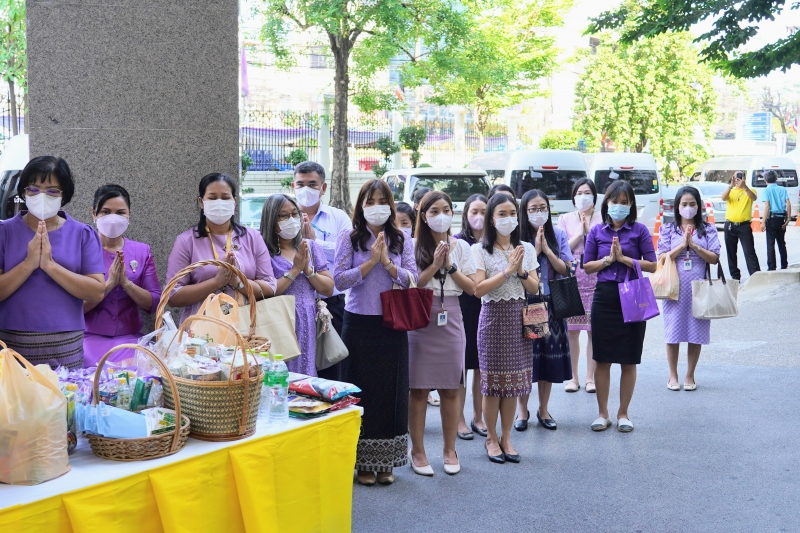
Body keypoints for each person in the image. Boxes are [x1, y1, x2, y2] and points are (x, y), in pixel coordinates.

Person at [334, 179, 417, 486]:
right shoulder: (350, 237)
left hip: (391, 324)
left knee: (391, 390)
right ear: (361, 205)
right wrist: (370, 262)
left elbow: (413, 278)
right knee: (360, 390)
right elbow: (339, 280)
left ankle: (387, 462)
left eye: (383, 201)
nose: (377, 207)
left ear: (390, 205)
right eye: (371, 201)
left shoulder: (402, 238)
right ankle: (362, 463)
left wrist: (388, 265)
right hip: (357, 323)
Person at [0, 156, 105, 368]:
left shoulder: (82, 234)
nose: (42, 196)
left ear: (63, 194)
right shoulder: (5, 232)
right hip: (12, 342)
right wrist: (28, 263)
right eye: (34, 189)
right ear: (24, 192)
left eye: (52, 191)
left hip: (65, 344)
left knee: (65, 399)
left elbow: (96, 291)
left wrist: (50, 265)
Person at [408, 191, 476, 476]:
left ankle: (450, 449)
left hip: (451, 315)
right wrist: (435, 264)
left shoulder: (461, 247)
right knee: (419, 389)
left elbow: (472, 287)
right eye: (434, 210)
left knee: (451, 387)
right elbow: (412, 283)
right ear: (423, 216)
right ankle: (418, 451)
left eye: (446, 209)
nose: (441, 215)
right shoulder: (411, 245)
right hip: (421, 316)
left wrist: (449, 265)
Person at [583, 180, 656, 433]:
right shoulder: (597, 231)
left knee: (628, 359)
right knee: (602, 359)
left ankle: (623, 413)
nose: (619, 206)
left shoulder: (640, 230)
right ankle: (603, 413)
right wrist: (607, 260)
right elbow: (586, 265)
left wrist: (625, 260)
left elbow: (653, 265)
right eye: (615, 202)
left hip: (633, 295)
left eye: (624, 202)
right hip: (604, 298)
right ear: (606, 204)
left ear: (631, 205)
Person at [472, 194, 539, 464]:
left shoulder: (526, 247)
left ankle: (507, 437)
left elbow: (534, 287)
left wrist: (520, 270)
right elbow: (478, 289)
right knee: (492, 385)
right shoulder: (481, 249)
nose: (508, 218)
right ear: (491, 218)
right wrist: (507, 271)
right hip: (492, 320)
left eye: (512, 213)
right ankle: (490, 438)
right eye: (502, 213)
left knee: (513, 383)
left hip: (519, 318)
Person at [166, 173, 276, 325]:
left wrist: (237, 282)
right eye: (212, 198)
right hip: (201, 333)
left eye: (225, 198)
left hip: (246, 329)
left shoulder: (253, 237)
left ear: (234, 201)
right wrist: (216, 282)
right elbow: (172, 295)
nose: (219, 202)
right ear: (201, 202)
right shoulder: (186, 241)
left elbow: (270, 287)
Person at [83, 185, 162, 366]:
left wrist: (126, 283)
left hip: (131, 340)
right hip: (89, 340)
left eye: (120, 213)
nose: (113, 218)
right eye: (105, 212)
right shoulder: (82, 250)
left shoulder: (142, 251)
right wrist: (109, 284)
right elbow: (74, 308)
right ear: (94, 214)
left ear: (129, 215)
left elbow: (155, 303)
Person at [516, 190, 573, 432]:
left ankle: (543, 409)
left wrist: (547, 251)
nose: (538, 213)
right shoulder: (517, 237)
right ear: (524, 211)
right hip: (526, 301)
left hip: (551, 302)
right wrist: (534, 251)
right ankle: (522, 410)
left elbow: (566, 269)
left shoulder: (558, 234)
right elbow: (518, 269)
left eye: (542, 208)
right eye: (533, 208)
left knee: (548, 358)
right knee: (525, 358)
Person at [290, 161, 353, 380]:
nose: (305, 189)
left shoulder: (338, 218)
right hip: (294, 307)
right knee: (297, 372)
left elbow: (348, 253)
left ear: (323, 188)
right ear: (293, 186)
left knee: (331, 371)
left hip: (331, 305)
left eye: (312, 184)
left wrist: (315, 244)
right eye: (300, 184)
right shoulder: (284, 219)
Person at [261, 194, 334, 376]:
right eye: (283, 216)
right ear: (271, 219)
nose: (291, 220)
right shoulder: (264, 251)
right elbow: (266, 291)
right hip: (278, 321)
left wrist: (308, 270)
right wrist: (295, 270)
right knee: (279, 375)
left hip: (307, 319)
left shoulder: (309, 246)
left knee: (305, 373)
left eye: (294, 214)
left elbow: (328, 288)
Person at [658, 186, 721, 391]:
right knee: (673, 331)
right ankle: (672, 375)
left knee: (696, 331)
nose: (688, 208)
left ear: (699, 206)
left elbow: (714, 258)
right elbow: (661, 257)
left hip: (699, 288)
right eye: (684, 204)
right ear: (677, 207)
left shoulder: (708, 229)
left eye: (692, 204)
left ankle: (690, 375)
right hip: (673, 288)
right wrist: (681, 245)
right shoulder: (668, 228)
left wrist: (694, 246)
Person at [557, 178, 602, 393]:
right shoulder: (565, 219)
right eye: (579, 192)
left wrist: (590, 233)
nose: (583, 196)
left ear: (594, 197)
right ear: (573, 197)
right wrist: (581, 232)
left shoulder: (603, 218)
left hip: (596, 277)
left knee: (594, 331)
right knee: (572, 331)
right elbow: (562, 248)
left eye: (587, 192)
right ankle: (573, 377)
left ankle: (590, 378)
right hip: (572, 278)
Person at [454, 194, 489, 440]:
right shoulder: (457, 243)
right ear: (465, 214)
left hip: (487, 308)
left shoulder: (493, 243)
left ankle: (479, 416)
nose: (479, 217)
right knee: (461, 366)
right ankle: (459, 418)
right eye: (474, 211)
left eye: (484, 211)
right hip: (461, 306)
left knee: (481, 366)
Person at [721, 170, 760, 280]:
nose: (738, 179)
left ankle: (756, 276)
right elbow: (723, 198)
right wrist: (731, 185)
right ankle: (735, 277)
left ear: (744, 178)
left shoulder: (750, 190)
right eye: (736, 176)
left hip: (744, 226)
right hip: (730, 225)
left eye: (740, 176)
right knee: (731, 252)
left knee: (749, 251)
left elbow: (754, 198)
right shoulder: (731, 191)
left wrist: (745, 187)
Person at [760, 170, 791, 271]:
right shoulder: (782, 189)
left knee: (770, 244)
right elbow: (788, 204)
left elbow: (767, 206)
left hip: (771, 219)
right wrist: (788, 218)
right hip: (781, 218)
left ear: (765, 179)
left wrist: (763, 221)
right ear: (776, 179)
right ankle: (784, 265)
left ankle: (772, 267)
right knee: (782, 243)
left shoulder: (766, 190)